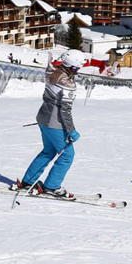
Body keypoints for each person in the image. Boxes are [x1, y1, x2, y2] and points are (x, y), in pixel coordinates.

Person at [14, 49, 86, 197]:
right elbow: (64, 111)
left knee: (48, 151)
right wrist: (71, 131)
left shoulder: (51, 73)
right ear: (72, 67)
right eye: (77, 68)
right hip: (55, 124)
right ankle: (51, 187)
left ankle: (28, 182)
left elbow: (50, 65)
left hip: (43, 118)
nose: (78, 71)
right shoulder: (67, 84)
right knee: (67, 155)